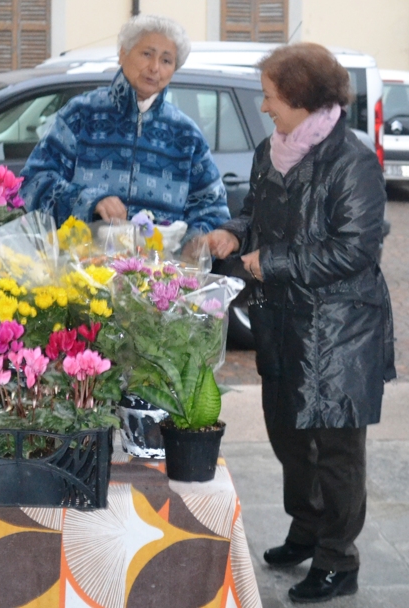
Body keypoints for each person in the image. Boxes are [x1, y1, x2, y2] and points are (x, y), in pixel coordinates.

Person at [205, 43, 396, 603]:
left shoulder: (352, 160)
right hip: (282, 321)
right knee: (289, 436)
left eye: (270, 96)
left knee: (335, 451)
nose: (264, 106)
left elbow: (357, 249)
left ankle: (340, 559)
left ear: (302, 98)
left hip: (339, 330)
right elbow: (257, 212)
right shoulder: (272, 150)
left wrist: (276, 262)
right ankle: (307, 529)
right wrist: (235, 232)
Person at [19, 14, 230, 252]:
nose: (155, 68)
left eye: (166, 60)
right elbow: (33, 183)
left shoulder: (186, 135)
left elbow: (213, 209)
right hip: (81, 273)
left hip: (158, 281)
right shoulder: (82, 115)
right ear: (122, 54)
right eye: (147, 54)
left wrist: (195, 243)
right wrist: (91, 200)